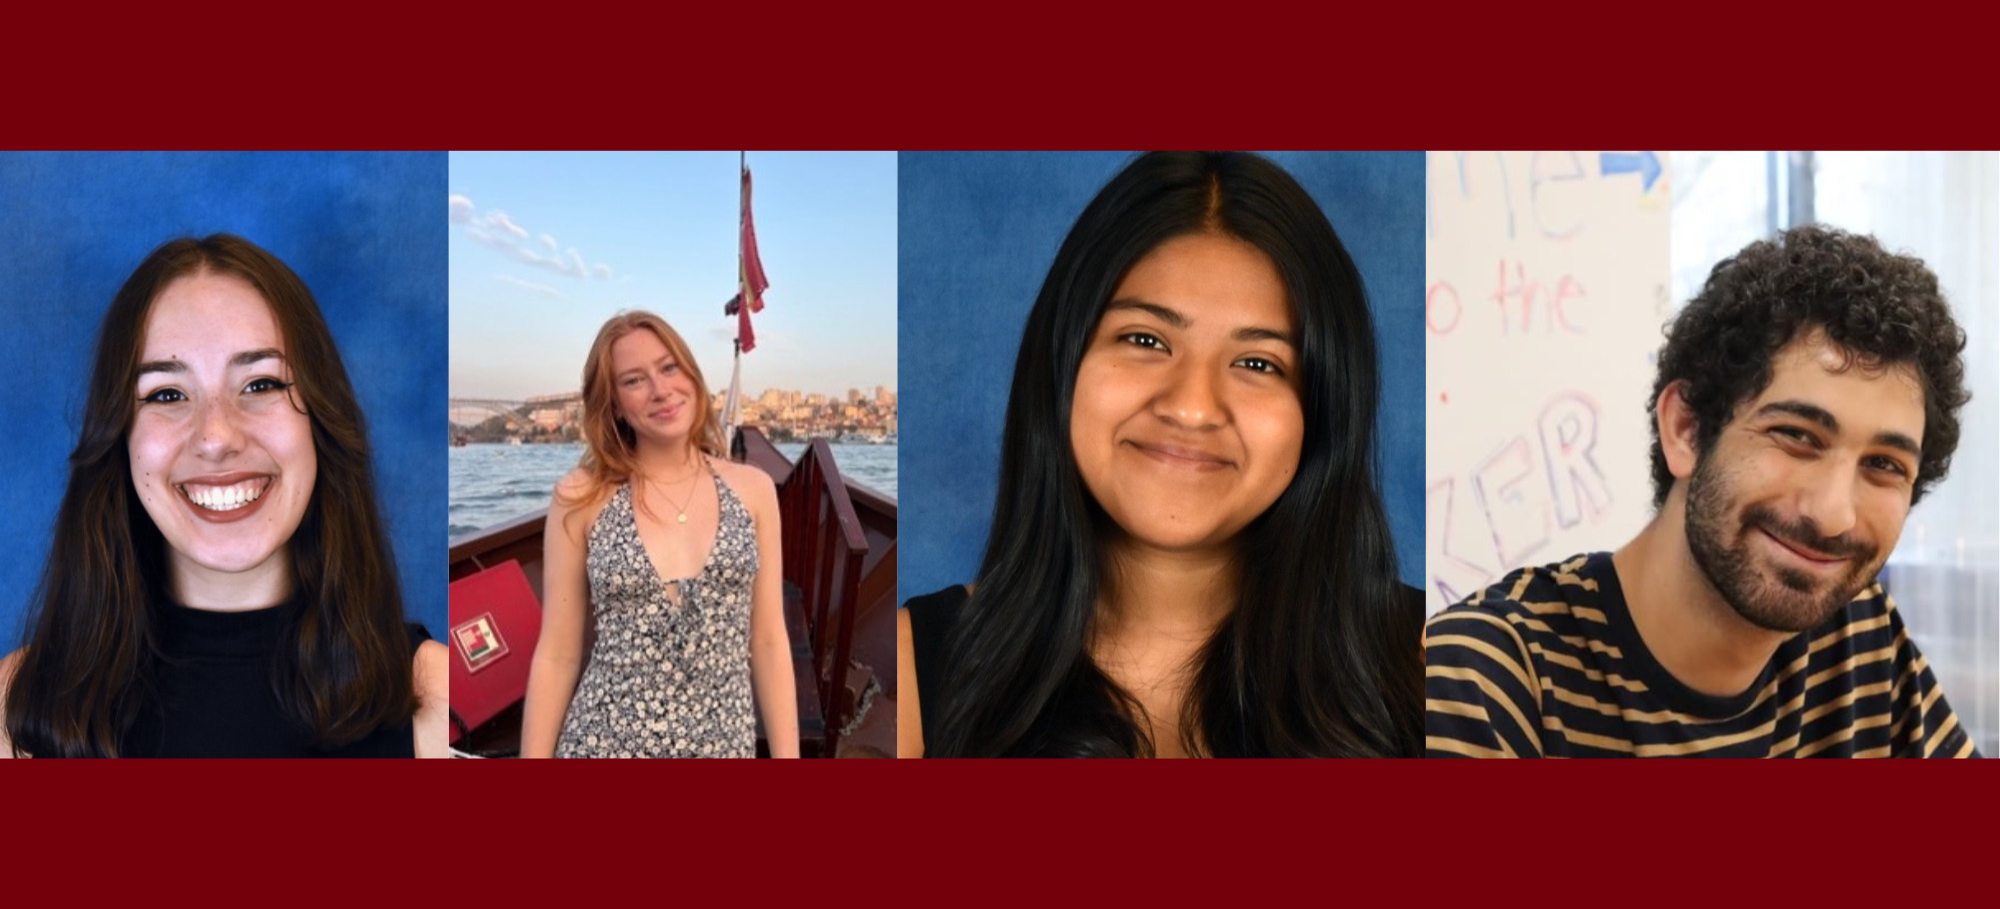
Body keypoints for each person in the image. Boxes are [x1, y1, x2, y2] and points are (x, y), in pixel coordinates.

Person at [898, 151, 1424, 758]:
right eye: (1145, 339)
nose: (1193, 407)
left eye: (1258, 363)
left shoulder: (1434, 661)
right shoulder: (919, 669)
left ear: (1323, 409)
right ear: (1063, 363)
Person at [1426, 225, 1978, 758]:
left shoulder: (1858, 637)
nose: (1834, 515)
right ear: (1687, 430)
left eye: (1884, 464)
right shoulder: (1485, 683)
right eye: (1796, 436)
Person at [0, 234, 447, 758]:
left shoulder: (432, 696)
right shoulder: (18, 707)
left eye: (260, 384)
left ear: (323, 423)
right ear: (119, 439)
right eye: (166, 394)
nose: (216, 437)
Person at [519, 310, 797, 758]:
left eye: (669, 368)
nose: (660, 390)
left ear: (690, 373)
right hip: (604, 744)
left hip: (722, 746)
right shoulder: (580, 496)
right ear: (614, 405)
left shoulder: (754, 490)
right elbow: (558, 653)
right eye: (634, 380)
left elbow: (767, 640)